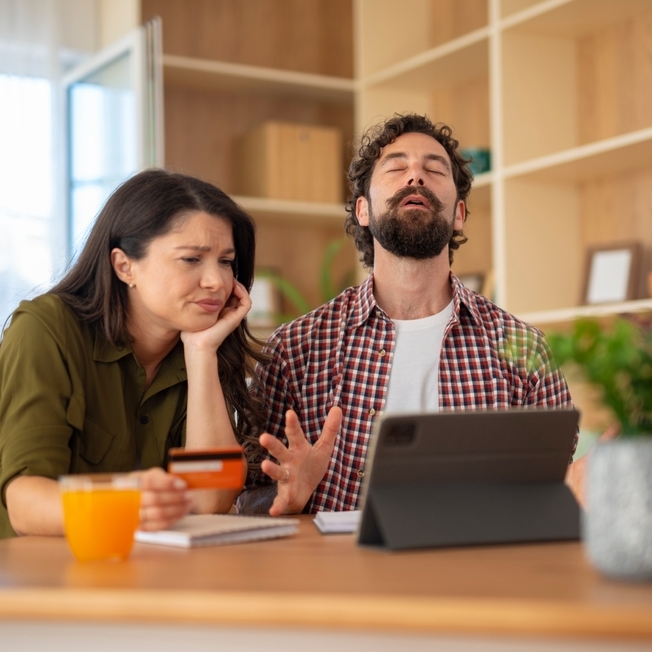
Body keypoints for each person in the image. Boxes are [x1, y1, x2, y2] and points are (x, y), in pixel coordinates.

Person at [237, 113, 576, 517]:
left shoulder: (523, 349)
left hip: (476, 573)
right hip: (338, 576)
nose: (416, 176)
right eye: (397, 167)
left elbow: (552, 491)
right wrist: (285, 500)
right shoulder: (294, 350)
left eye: (434, 169)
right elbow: (244, 497)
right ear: (362, 210)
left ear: (459, 214)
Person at [0, 169, 268, 538]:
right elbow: (25, 505)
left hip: (143, 575)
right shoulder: (45, 330)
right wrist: (127, 501)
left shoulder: (200, 345)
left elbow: (211, 501)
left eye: (225, 261)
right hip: (40, 578)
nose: (217, 281)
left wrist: (202, 352)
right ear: (125, 266)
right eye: (192, 259)